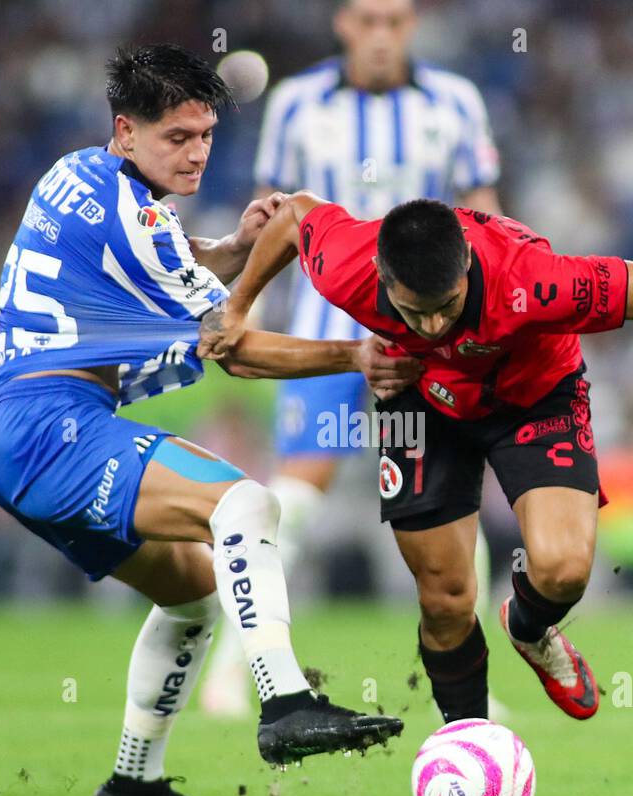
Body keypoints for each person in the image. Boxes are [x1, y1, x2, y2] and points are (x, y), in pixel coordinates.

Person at [200, 192, 633, 725]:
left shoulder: (536, 281)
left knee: (561, 568)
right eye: (413, 311)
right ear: (381, 278)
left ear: (467, 268)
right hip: (419, 402)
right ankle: (469, 742)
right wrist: (238, 305)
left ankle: (530, 629)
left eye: (446, 308)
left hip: (535, 396)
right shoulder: (346, 262)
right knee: (444, 596)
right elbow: (292, 215)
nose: (432, 326)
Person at [0, 44, 417, 796]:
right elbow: (233, 349)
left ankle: (131, 784)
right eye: (176, 137)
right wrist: (352, 352)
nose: (196, 152)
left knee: (194, 595)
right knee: (245, 505)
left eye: (205, 134)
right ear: (126, 131)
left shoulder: (79, 176)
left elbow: (158, 255)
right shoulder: (132, 210)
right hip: (56, 430)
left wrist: (235, 247)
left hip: (27, 437)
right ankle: (286, 704)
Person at [201, 0, 504, 716]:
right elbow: (270, 219)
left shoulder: (455, 102)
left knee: (456, 498)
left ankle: (468, 689)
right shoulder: (298, 103)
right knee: (296, 496)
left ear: (413, 25)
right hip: (324, 333)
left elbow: (487, 216)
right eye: (367, 20)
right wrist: (247, 316)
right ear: (342, 23)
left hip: (431, 336)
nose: (380, 35)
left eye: (394, 21)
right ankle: (233, 668)